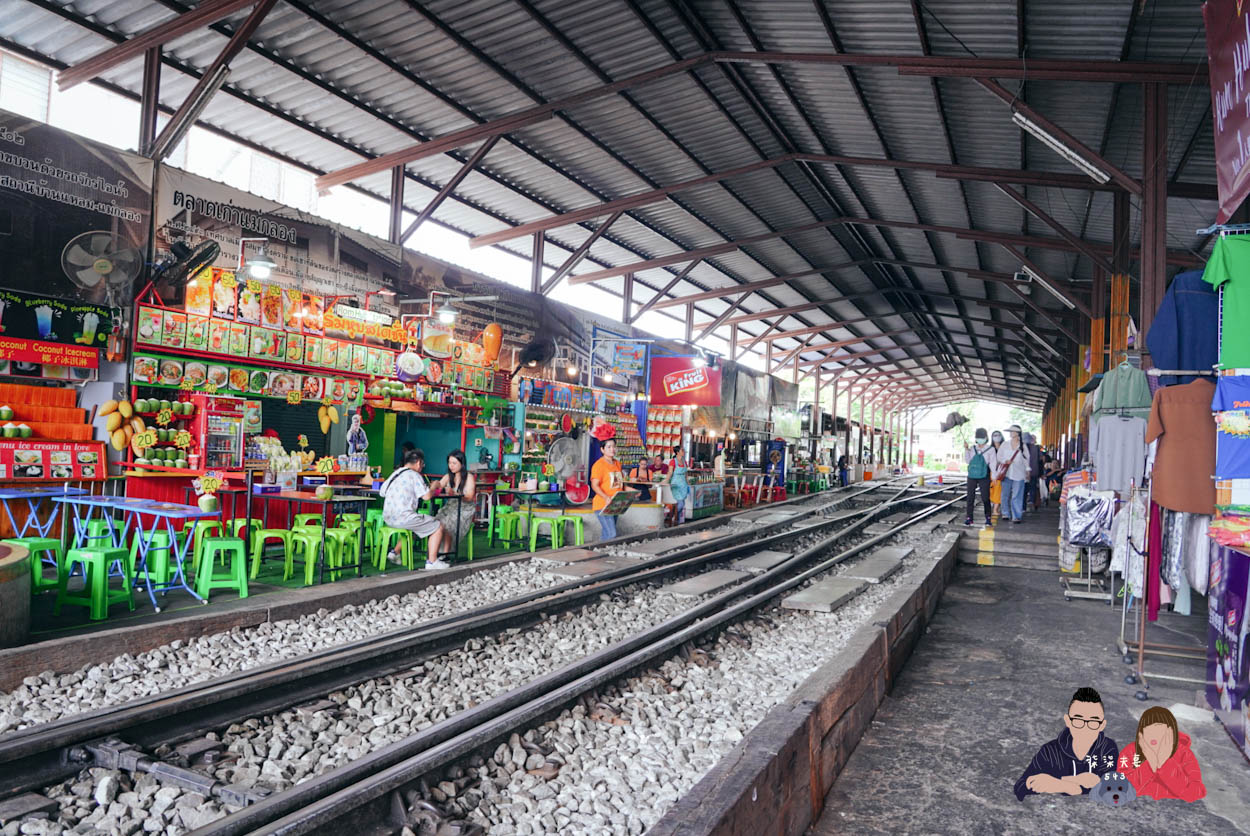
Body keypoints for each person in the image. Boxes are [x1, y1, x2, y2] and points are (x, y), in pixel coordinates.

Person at [1014, 687, 1119, 800]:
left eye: (1093, 722)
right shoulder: (1050, 751)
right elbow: (1020, 787)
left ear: (1102, 725)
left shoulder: (1107, 748)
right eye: (1078, 720)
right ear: (1068, 721)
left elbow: (1112, 788)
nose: (1085, 728)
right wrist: (1069, 784)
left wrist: (1060, 783)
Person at [1118, 707, 1205, 801]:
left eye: (1158, 728)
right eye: (1147, 728)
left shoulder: (1184, 754)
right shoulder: (1130, 752)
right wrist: (1149, 765)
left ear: (1171, 732)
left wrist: (1165, 763)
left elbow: (1194, 793)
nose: (1152, 734)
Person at [380, 448, 445, 569]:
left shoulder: (395, 473)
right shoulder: (414, 475)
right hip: (404, 518)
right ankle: (432, 562)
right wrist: (434, 486)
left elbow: (382, 492)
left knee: (418, 526)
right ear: (419, 463)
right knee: (438, 526)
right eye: (423, 464)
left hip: (388, 518)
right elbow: (426, 496)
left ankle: (395, 552)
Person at [433, 450, 476, 560]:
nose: (451, 466)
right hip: (451, 507)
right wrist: (435, 486)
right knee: (436, 521)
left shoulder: (469, 477)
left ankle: (445, 554)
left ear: (462, 463)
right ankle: (437, 551)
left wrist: (456, 494)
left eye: (454, 463)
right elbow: (439, 486)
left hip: (465, 509)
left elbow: (470, 497)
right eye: (449, 463)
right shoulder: (448, 476)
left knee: (447, 523)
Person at [591, 438, 624, 540]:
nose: (612, 449)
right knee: (611, 534)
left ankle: (600, 553)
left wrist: (632, 491)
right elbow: (594, 485)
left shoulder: (617, 464)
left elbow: (620, 483)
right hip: (603, 505)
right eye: (608, 447)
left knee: (607, 534)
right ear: (602, 449)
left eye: (614, 446)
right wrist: (605, 497)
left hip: (615, 504)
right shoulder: (599, 465)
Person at [963, 428, 996, 527]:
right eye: (978, 437)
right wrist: (966, 449)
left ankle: (988, 517)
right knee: (970, 497)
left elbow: (993, 463)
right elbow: (968, 461)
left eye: (982, 437)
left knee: (985, 497)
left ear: (986, 438)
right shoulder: (972, 448)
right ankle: (969, 518)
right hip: (972, 475)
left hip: (984, 475)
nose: (980, 439)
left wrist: (994, 476)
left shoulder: (991, 449)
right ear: (976, 438)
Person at [998, 424, 1030, 524]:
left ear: (1017, 433)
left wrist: (1028, 471)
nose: (1010, 433)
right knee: (1005, 494)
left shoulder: (1023, 446)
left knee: (1017, 495)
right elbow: (999, 456)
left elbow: (1026, 460)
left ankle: (1016, 516)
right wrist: (1005, 460)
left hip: (1019, 474)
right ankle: (1005, 513)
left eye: (1012, 431)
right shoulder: (1005, 444)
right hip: (1006, 473)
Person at [664, 446, 691, 525]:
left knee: (682, 503)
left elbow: (686, 473)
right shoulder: (673, 461)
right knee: (681, 503)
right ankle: (673, 517)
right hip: (675, 484)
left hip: (683, 484)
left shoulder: (684, 461)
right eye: (682, 450)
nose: (684, 451)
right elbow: (670, 472)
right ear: (677, 452)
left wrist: (687, 481)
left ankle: (676, 519)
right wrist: (666, 480)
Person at [1021, 432, 1043, 513]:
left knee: (1023, 490)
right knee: (1033, 487)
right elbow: (1041, 460)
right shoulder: (1036, 448)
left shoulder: (1021, 448)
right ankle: (1031, 500)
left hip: (1023, 472)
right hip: (1034, 471)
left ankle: (1023, 507)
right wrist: (1041, 473)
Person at [988, 431, 1005, 520]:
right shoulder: (990, 448)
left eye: (998, 435)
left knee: (998, 490)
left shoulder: (1005, 447)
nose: (996, 437)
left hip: (1001, 472)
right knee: (991, 489)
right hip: (991, 472)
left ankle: (995, 509)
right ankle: (994, 506)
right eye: (994, 435)